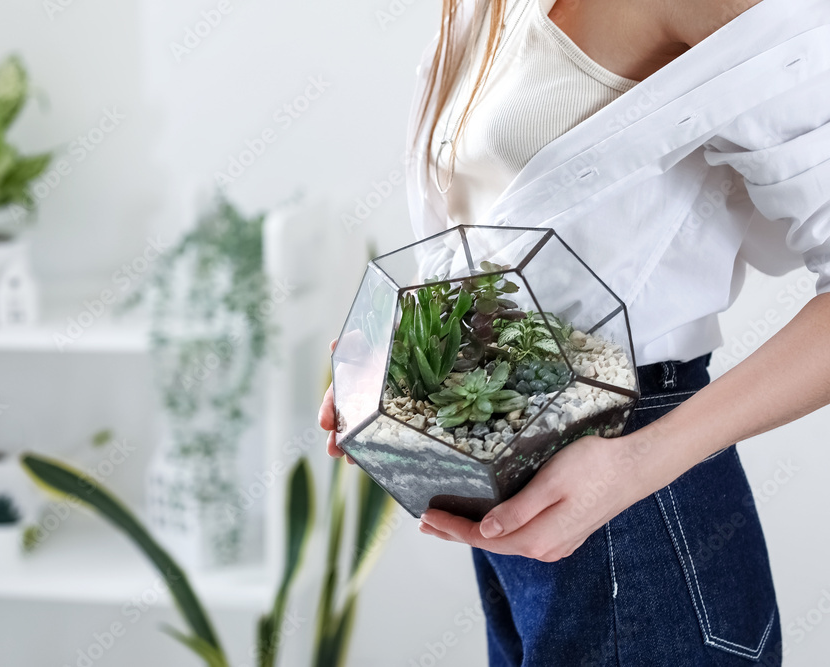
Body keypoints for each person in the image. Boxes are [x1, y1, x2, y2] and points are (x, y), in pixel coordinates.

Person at [319, 0, 830, 664]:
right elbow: (490, 231)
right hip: (520, 504)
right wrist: (410, 360)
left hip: (634, 502)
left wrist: (635, 465)